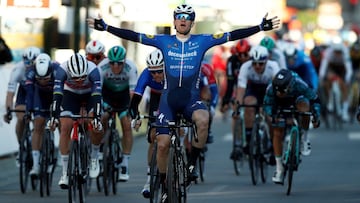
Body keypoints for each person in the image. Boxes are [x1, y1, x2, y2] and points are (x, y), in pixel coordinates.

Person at [87, 4, 280, 201]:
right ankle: (163, 184)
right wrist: (107, 27)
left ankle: (192, 164)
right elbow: (135, 35)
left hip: (191, 100)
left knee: (203, 120)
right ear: (174, 21)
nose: (183, 20)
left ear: (192, 22)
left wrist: (260, 27)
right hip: (168, 102)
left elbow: (232, 35)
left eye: (187, 17)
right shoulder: (163, 41)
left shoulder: (202, 41)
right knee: (161, 145)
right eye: (179, 16)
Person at [48, 53, 103, 189]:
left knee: (94, 123)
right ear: (69, 72)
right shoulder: (62, 70)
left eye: (82, 77)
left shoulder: (94, 70)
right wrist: (54, 117)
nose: (79, 80)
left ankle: (94, 156)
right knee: (65, 125)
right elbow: (57, 95)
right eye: (75, 77)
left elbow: (96, 97)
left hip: (89, 94)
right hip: (70, 94)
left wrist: (96, 117)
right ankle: (65, 172)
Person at [263, 69, 320, 184]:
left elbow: (315, 99)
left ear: (289, 86)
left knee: (305, 107)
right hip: (279, 104)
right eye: (277, 91)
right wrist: (272, 116)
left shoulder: (298, 84)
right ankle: (279, 168)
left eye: (282, 91)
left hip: (297, 99)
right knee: (277, 132)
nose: (280, 94)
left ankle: (304, 138)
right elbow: (267, 105)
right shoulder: (271, 88)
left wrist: (316, 116)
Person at [232, 45, 280, 159]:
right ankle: (249, 141)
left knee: (270, 116)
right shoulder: (245, 67)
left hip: (269, 90)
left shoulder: (273, 67)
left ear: (266, 61)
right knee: (248, 104)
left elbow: (277, 90)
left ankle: (273, 145)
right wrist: (237, 107)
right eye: (254, 63)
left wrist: (275, 108)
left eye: (261, 63)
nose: (257, 66)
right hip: (253, 89)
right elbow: (241, 90)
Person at [128, 49, 164, 198]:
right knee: (153, 135)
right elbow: (135, 99)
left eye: (159, 71)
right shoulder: (146, 74)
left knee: (177, 128)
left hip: (171, 96)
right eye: (153, 72)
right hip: (156, 99)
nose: (155, 75)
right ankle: (149, 178)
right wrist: (135, 117)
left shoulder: (173, 73)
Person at [100, 45, 138, 181]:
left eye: (119, 63)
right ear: (108, 61)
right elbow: (96, 91)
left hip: (124, 97)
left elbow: (133, 94)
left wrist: (130, 109)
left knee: (126, 123)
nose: (115, 66)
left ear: (124, 61)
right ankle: (101, 148)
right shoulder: (102, 67)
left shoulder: (131, 68)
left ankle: (125, 163)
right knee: (102, 117)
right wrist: (103, 105)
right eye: (112, 63)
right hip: (107, 95)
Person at [3, 46, 40, 166]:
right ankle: (21, 146)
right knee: (20, 118)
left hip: (40, 91)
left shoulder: (45, 65)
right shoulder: (18, 69)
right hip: (24, 92)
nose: (29, 64)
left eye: (32, 62)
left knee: (40, 120)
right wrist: (8, 110)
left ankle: (39, 144)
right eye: (26, 61)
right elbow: (10, 93)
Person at [25, 53, 61, 177]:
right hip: (39, 97)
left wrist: (57, 112)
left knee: (62, 121)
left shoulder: (58, 70)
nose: (43, 81)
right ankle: (36, 165)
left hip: (55, 96)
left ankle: (62, 153)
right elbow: (29, 94)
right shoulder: (30, 72)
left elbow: (62, 93)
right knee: (38, 124)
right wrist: (29, 110)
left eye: (46, 78)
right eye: (39, 79)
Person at [318, 42, 352, 122]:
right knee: (328, 79)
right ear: (333, 51)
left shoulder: (346, 53)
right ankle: (330, 99)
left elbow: (349, 70)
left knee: (344, 87)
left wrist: (347, 79)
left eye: (339, 52)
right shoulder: (328, 53)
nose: (338, 54)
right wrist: (322, 78)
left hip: (342, 69)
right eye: (336, 52)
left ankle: (344, 112)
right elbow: (323, 68)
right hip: (332, 68)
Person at [220, 39, 251, 115]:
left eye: (245, 54)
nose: (243, 57)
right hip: (238, 86)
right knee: (235, 110)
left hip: (251, 86)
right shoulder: (231, 61)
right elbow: (230, 83)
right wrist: (226, 101)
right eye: (240, 54)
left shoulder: (253, 60)